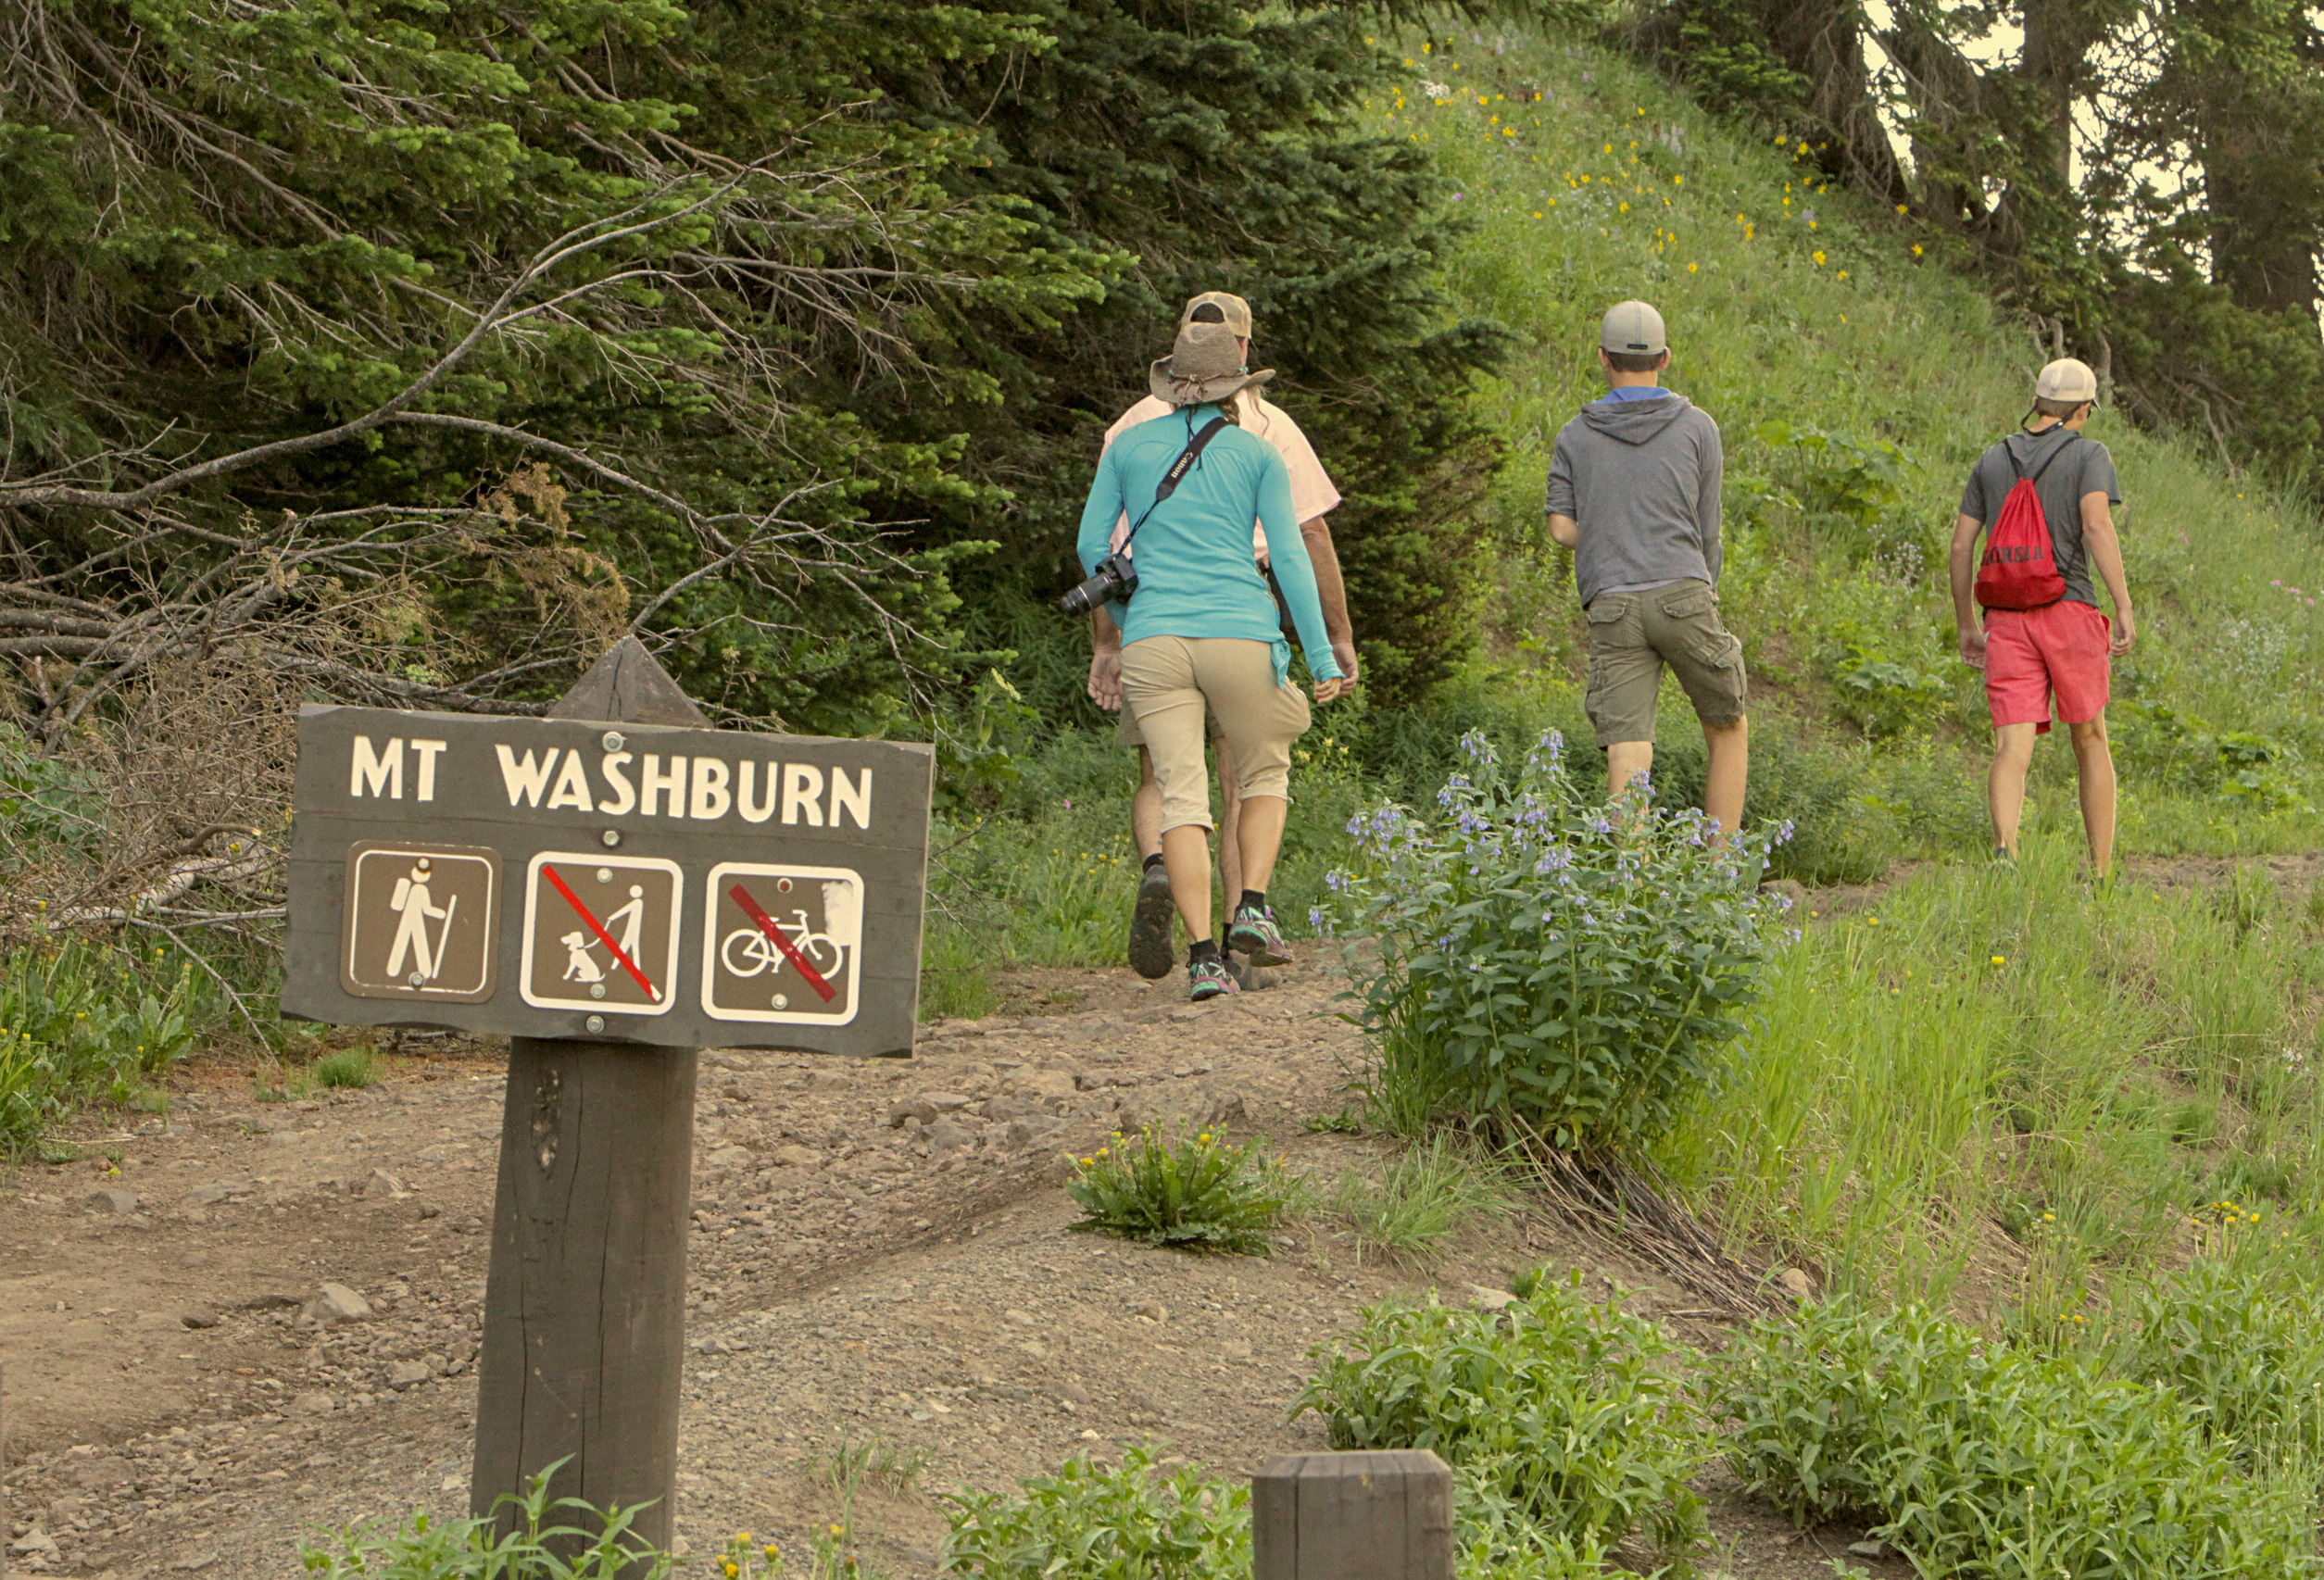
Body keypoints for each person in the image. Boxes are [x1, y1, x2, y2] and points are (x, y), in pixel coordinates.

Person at [1087, 292, 1359, 983]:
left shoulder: (1127, 442)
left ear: (1172, 380)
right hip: (1239, 629)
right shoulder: (1259, 448)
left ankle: (1202, 960)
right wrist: (1322, 653)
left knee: (1179, 796)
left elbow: (1096, 547)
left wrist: (1121, 629)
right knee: (1261, 772)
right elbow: (1295, 553)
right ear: (1238, 372)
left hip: (1153, 634)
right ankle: (1253, 910)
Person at [1545, 300, 1748, 834]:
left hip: (1612, 603)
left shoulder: (1574, 436)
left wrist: (1614, 530)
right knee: (1727, 725)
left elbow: (1562, 529)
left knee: (1628, 749)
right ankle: (1718, 873)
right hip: (1684, 593)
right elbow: (1708, 529)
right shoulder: (1699, 428)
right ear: (1665, 358)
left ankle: (1629, 894)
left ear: (1602, 359)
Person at [1947, 357, 2136, 876]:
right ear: (2082, 410)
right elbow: (2097, 526)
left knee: (2012, 745)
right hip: (2070, 611)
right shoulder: (2089, 455)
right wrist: (2122, 605)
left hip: (2005, 619)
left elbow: (1962, 545)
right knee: (2090, 737)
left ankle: (2006, 851)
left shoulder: (1992, 459)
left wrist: (1967, 625)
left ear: (2037, 402)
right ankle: (2099, 872)